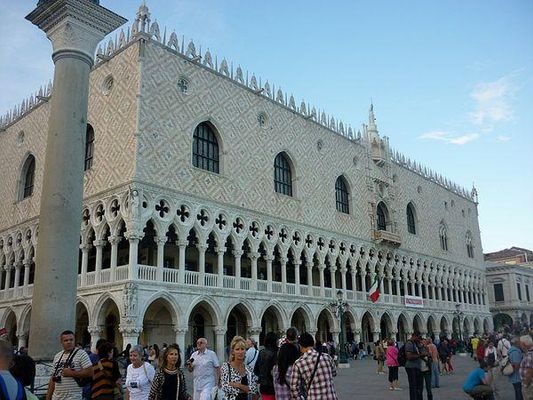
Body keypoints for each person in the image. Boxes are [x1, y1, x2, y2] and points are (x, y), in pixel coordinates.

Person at [289, 332, 338, 400]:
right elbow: (334, 373)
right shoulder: (327, 357)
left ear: (300, 346)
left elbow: (294, 388)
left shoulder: (299, 363)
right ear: (313, 343)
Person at [47, 330, 93, 400]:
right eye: (66, 340)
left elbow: (90, 372)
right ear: (61, 342)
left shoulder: (81, 354)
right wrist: (48, 397)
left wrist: (72, 373)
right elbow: (52, 379)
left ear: (74, 340)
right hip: (56, 397)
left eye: (71, 340)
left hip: (73, 397)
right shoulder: (57, 356)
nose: (69, 342)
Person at [220, 336, 258, 400]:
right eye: (237, 349)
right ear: (233, 351)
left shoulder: (248, 369)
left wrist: (238, 385)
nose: (240, 352)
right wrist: (245, 388)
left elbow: (254, 389)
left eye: (242, 349)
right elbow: (225, 387)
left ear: (245, 351)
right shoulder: (226, 367)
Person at [253, 332, 278, 400]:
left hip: (264, 386)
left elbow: (256, 370)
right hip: (275, 386)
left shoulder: (261, 352)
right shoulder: (277, 352)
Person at [404, 331, 423, 400]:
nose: (419, 339)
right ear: (414, 336)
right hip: (411, 367)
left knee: (418, 386)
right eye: (418, 337)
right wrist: (421, 355)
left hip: (416, 367)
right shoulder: (409, 343)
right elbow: (409, 356)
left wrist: (421, 346)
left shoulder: (415, 344)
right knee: (413, 386)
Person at [519, 335, 533, 400]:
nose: (520, 346)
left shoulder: (529, 355)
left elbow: (529, 373)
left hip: (530, 386)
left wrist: (525, 385)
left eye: (520, 344)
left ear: (524, 344)